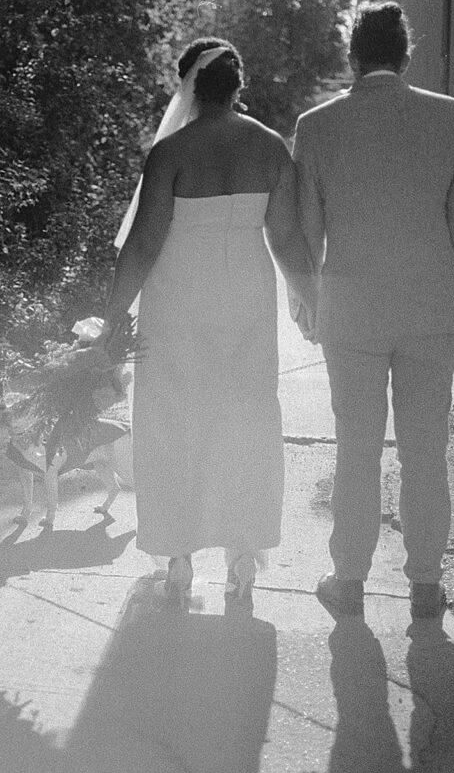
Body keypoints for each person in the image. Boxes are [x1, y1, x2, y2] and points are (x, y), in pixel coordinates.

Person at [103, 38, 317, 607]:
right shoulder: (271, 148)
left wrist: (111, 319)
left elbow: (144, 243)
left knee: (174, 421)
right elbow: (289, 238)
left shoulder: (170, 153)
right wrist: (311, 298)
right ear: (238, 85)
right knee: (246, 417)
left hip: (177, 304)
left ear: (188, 85)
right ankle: (242, 556)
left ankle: (177, 558)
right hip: (245, 299)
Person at [292, 2, 454, 620]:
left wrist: (305, 303)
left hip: (349, 313)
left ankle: (349, 582)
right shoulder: (446, 115)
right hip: (431, 308)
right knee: (426, 451)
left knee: (357, 449)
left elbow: (307, 229)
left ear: (353, 56)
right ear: (407, 55)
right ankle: (425, 583)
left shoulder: (316, 126)